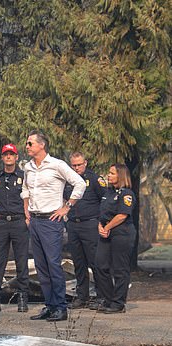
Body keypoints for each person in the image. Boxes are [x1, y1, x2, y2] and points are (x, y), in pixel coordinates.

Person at [22, 130, 86, 322]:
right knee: (41, 267)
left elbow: (80, 184)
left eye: (30, 143)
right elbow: (25, 189)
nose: (27, 146)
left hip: (52, 221)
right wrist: (27, 211)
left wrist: (67, 207)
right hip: (35, 220)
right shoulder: (28, 167)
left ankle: (60, 307)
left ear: (42, 145)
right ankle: (50, 306)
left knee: (53, 264)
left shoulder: (57, 165)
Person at [0, 144, 30, 312]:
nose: (9, 157)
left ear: (16, 157)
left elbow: (29, 198)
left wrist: (27, 218)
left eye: (12, 154)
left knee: (21, 261)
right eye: (6, 154)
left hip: (19, 222)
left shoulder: (24, 176)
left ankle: (22, 298)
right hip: (1, 223)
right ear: (2, 157)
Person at [64, 152, 104, 309]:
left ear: (85, 163)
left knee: (95, 262)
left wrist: (101, 222)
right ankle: (82, 297)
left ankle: (102, 296)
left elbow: (104, 200)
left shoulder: (94, 179)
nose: (76, 168)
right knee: (78, 263)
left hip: (90, 225)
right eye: (73, 165)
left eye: (79, 164)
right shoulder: (68, 182)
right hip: (73, 225)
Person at [95, 163, 136, 313]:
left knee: (120, 269)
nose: (108, 175)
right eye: (109, 172)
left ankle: (118, 303)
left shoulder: (127, 194)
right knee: (100, 265)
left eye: (112, 173)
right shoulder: (108, 192)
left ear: (121, 175)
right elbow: (103, 212)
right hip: (106, 232)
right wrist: (101, 226)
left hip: (122, 233)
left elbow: (122, 215)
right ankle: (109, 298)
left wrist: (107, 227)